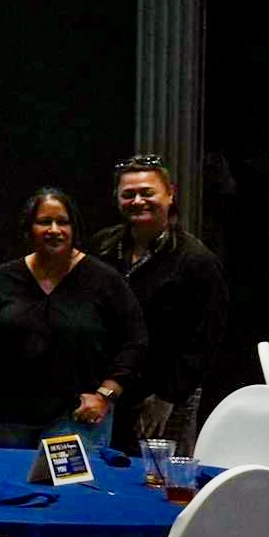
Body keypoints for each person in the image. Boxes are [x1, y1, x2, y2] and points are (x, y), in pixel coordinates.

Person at [0, 188, 144, 453]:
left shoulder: (104, 279)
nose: (54, 229)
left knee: (71, 492)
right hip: (8, 420)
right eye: (44, 222)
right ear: (29, 228)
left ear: (75, 227)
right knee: (12, 493)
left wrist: (106, 394)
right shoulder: (3, 278)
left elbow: (135, 341)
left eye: (63, 222)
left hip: (77, 416)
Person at [91, 156, 228, 447]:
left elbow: (204, 341)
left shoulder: (196, 261)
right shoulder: (102, 247)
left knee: (159, 483)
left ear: (170, 194)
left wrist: (167, 397)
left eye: (147, 192)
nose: (138, 200)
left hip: (165, 398)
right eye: (128, 194)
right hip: (107, 393)